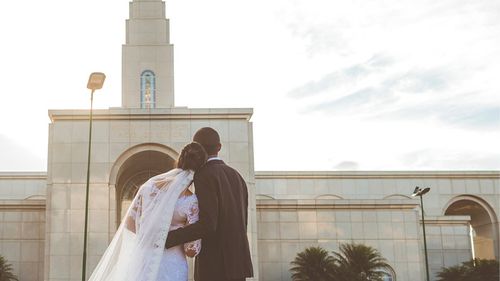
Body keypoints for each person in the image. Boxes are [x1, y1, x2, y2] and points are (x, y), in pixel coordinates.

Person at [88, 142, 208, 281]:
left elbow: (130, 224)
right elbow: (191, 250)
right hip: (172, 265)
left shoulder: (149, 187)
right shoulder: (191, 201)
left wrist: (149, 235)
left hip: (143, 259)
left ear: (179, 161)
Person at [165, 127, 254, 281]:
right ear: (219, 147)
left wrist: (168, 238)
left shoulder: (204, 175)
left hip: (215, 264)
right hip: (238, 262)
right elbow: (243, 221)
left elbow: (208, 224)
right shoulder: (237, 176)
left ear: (197, 149)